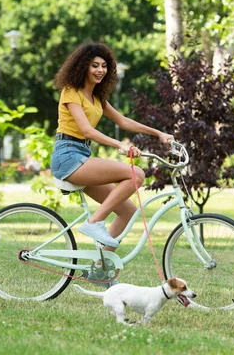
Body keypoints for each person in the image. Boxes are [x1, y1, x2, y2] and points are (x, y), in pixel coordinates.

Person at [50, 42, 173, 286]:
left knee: (127, 210)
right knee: (135, 174)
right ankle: (94, 222)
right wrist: (120, 146)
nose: (100, 70)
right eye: (94, 65)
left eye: (104, 66)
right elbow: (86, 129)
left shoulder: (96, 98)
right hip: (67, 155)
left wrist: (158, 133)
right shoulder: (71, 91)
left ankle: (99, 270)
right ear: (82, 66)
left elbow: (124, 121)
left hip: (82, 155)